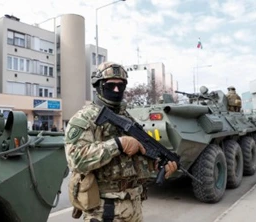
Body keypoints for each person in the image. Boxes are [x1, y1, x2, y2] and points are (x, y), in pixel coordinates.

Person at [64, 61, 177, 222]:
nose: (117, 90)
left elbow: (135, 160)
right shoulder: (85, 118)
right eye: (111, 85)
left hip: (133, 206)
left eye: (121, 85)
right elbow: (76, 160)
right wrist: (118, 144)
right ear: (99, 86)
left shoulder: (127, 117)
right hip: (104, 209)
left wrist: (158, 166)